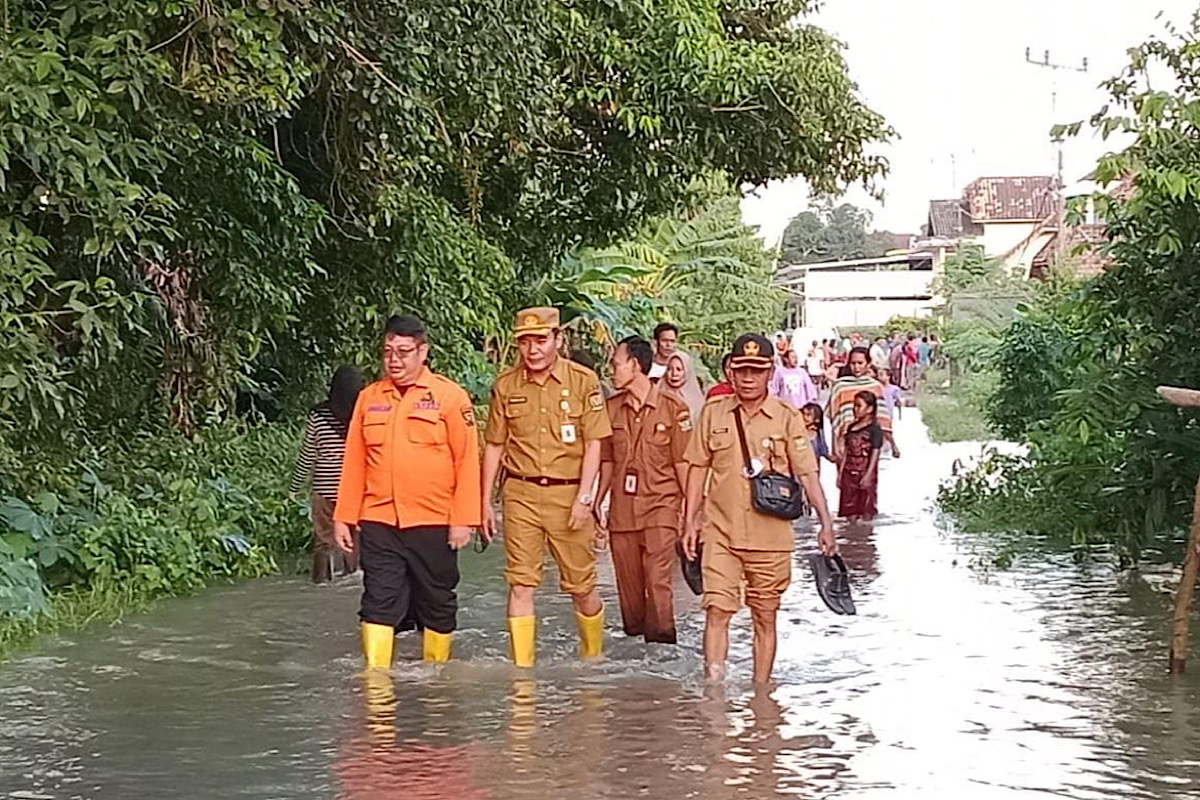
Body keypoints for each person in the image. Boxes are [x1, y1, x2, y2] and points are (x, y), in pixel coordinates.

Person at [681, 334, 836, 684]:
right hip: (720, 533)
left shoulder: (787, 417)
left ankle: (761, 695)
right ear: (730, 373)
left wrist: (826, 523)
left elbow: (808, 474)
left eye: (757, 371)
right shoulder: (713, 413)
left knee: (765, 617)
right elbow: (696, 467)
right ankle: (714, 692)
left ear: (770, 374)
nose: (748, 378)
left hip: (771, 539)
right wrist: (689, 521)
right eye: (742, 370)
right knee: (716, 610)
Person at [334, 315, 481, 668]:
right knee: (378, 600)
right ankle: (376, 681)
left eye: (403, 352)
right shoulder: (369, 398)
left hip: (433, 520)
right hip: (379, 519)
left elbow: (466, 461)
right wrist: (343, 516)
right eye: (388, 352)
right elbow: (354, 461)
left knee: (437, 601)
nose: (394, 360)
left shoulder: (449, 397)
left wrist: (463, 519)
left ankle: (435, 679)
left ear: (422, 352)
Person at [481, 307, 613, 667]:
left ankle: (592, 657)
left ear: (558, 339)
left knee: (581, 586)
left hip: (569, 495)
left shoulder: (583, 381)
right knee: (520, 583)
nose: (533, 349)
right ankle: (522, 673)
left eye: (541, 340)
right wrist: (484, 502)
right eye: (525, 342)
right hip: (520, 494)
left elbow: (594, 444)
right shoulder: (506, 385)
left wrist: (585, 498)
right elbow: (494, 445)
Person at [596, 336, 692, 644]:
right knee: (630, 595)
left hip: (661, 507)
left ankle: (664, 650)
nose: (611, 370)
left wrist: (692, 516)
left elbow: (683, 465)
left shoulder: (673, 408)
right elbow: (607, 461)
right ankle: (636, 661)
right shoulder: (611, 409)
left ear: (635, 365)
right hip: (622, 511)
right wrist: (597, 502)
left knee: (658, 581)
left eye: (616, 364)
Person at [290, 365, 366, 583]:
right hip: (354, 490)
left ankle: (321, 582)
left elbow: (308, 454)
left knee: (323, 541)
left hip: (324, 489)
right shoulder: (363, 414)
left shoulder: (318, 415)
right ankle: (352, 578)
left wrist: (295, 487)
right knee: (352, 539)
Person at [827, 347, 899, 460]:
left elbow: (882, 418)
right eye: (853, 363)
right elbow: (836, 419)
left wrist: (893, 444)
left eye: (860, 363)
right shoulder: (840, 387)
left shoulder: (875, 387)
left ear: (868, 364)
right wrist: (834, 448)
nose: (856, 367)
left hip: (868, 442)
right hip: (846, 442)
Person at [837, 391, 883, 522]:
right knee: (849, 510)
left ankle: (865, 535)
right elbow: (846, 452)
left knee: (866, 510)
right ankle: (851, 534)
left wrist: (868, 475)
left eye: (859, 406)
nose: (855, 409)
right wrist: (840, 473)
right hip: (848, 472)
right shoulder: (851, 427)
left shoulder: (874, 429)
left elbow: (875, 453)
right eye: (854, 406)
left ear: (870, 409)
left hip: (864, 472)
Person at [664, 351, 705, 418]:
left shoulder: (697, 400)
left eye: (679, 369)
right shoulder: (657, 394)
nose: (674, 373)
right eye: (669, 369)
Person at [800, 402, 836, 476]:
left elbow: (822, 449)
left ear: (817, 419)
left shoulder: (818, 434)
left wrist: (831, 458)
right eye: (803, 414)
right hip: (800, 467)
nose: (804, 417)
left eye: (808, 415)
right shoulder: (798, 432)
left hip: (814, 468)